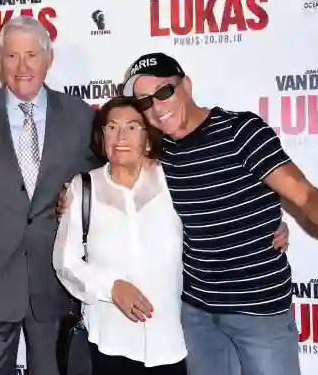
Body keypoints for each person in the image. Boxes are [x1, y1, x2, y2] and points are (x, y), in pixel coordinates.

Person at [117, 52, 318, 375]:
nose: (157, 107)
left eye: (164, 91)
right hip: (197, 314)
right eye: (144, 102)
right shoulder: (158, 153)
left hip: (259, 312)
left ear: (187, 86)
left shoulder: (241, 131)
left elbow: (305, 195)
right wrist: (70, 194)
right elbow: (113, 188)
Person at [52, 97, 291, 375]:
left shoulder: (171, 178)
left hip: (172, 340)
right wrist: (111, 287)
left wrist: (273, 225)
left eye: (132, 127)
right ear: (102, 135)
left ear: (148, 138)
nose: (121, 136)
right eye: (112, 127)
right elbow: (66, 261)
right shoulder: (83, 188)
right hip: (110, 340)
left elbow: (217, 210)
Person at [0, 16, 99, 375]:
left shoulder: (79, 116)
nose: (22, 67)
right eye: (11, 56)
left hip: (56, 284)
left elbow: (103, 186)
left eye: (31, 55)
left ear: (48, 59)